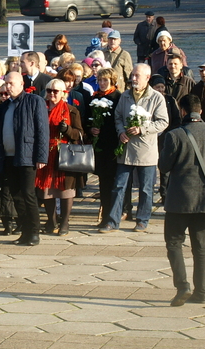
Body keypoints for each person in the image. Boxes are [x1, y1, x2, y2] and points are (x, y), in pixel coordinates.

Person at [159, 95, 205, 305]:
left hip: (179, 198)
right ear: (201, 111)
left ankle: (183, 286)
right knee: (200, 245)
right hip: (204, 199)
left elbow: (164, 166)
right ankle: (201, 292)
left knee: (174, 243)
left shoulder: (175, 135)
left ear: (183, 111)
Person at [100, 64, 169, 233]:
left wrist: (142, 129)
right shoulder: (125, 96)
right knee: (119, 185)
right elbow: (117, 118)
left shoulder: (156, 98)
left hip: (146, 150)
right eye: (132, 75)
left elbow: (163, 122)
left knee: (146, 188)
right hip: (126, 149)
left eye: (137, 75)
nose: (134, 78)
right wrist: (120, 132)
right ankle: (113, 220)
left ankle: (142, 219)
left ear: (147, 78)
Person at [0, 72, 50, 246]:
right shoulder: (4, 106)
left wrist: (41, 156)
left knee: (28, 195)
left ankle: (34, 232)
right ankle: (25, 231)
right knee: (16, 196)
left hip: (26, 156)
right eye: (6, 83)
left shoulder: (34, 101)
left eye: (11, 83)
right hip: (9, 156)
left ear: (21, 84)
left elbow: (42, 130)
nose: (8, 87)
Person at [37, 80, 85, 236]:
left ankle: (64, 222)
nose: (52, 94)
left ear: (63, 93)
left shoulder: (71, 111)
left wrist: (68, 130)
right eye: (49, 90)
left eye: (56, 91)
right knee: (47, 190)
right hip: (45, 151)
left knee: (65, 190)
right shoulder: (40, 108)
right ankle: (51, 220)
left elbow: (80, 134)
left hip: (64, 152)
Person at [88, 68, 122, 226]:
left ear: (112, 81)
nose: (102, 83)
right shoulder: (94, 97)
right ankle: (105, 213)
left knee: (113, 181)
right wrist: (91, 128)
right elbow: (87, 119)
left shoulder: (117, 97)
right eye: (100, 80)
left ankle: (112, 214)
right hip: (99, 145)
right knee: (103, 181)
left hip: (113, 144)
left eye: (105, 80)